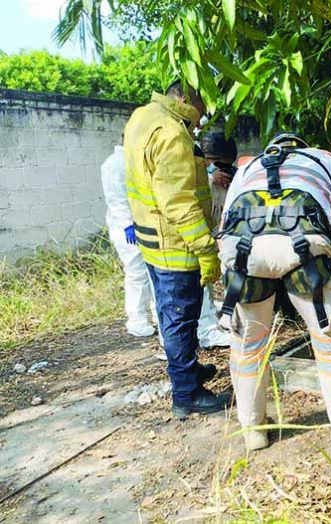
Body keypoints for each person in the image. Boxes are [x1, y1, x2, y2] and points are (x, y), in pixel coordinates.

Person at [217, 133, 331, 456]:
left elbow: (225, 227)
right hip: (305, 251)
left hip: (246, 254)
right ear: (303, 148)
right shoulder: (326, 161)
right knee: (330, 342)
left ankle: (254, 430)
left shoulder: (248, 168)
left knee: (248, 347)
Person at [124, 80, 230, 417]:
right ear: (184, 99)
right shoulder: (172, 134)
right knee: (179, 318)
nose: (200, 121)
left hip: (154, 240)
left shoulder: (143, 116)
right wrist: (206, 250)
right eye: (200, 109)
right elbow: (180, 203)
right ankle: (187, 394)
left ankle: (188, 369)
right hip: (176, 246)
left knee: (176, 313)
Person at [101, 140, 156, 337]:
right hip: (126, 229)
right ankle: (136, 319)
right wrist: (127, 225)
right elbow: (116, 199)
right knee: (136, 273)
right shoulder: (114, 164)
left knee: (151, 273)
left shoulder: (133, 160)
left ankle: (154, 314)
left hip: (143, 225)